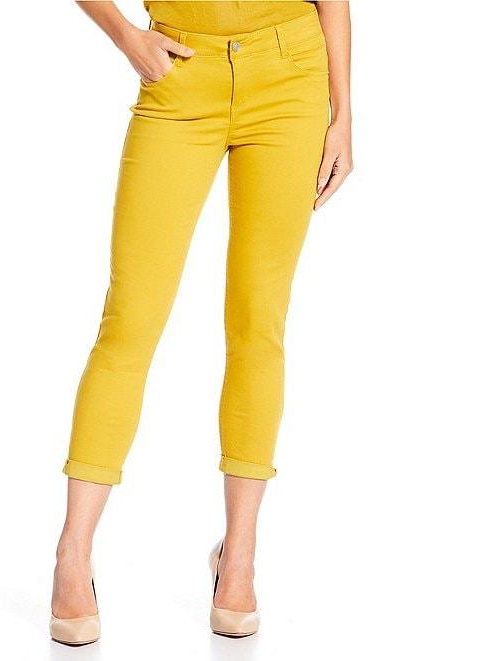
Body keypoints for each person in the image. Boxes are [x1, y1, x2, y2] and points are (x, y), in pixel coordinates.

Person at [50, 0, 352, 645]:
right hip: (181, 75)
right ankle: (72, 551)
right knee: (130, 320)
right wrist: (125, 36)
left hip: (291, 77)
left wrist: (343, 115)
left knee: (258, 322)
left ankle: (238, 555)